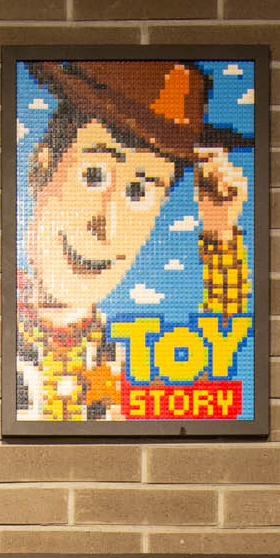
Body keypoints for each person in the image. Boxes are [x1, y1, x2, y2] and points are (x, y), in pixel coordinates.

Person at [14, 60, 253, 423]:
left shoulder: (124, 363)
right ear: (41, 166)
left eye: (139, 193)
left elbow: (221, 373)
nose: (105, 226)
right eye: (93, 175)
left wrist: (221, 233)